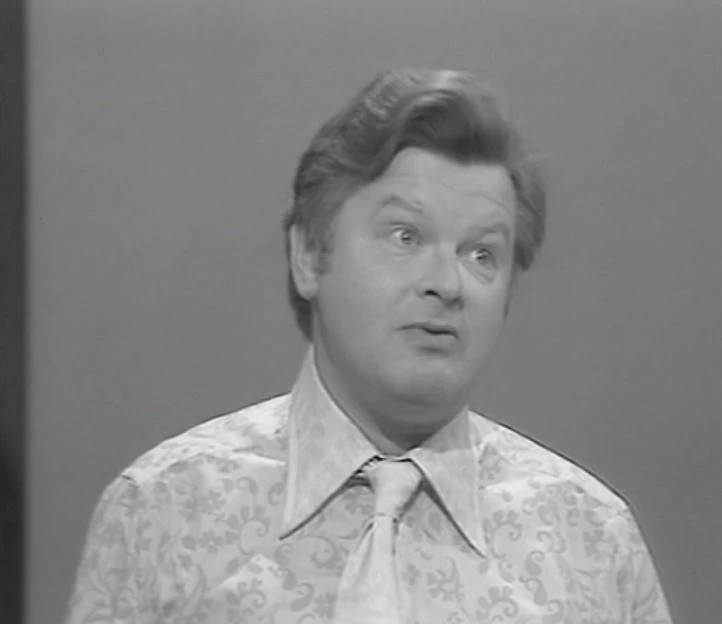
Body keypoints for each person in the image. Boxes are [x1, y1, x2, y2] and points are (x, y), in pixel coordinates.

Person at [65, 67, 674, 624]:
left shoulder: (592, 540)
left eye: (481, 254)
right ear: (310, 255)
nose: (446, 283)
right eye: (405, 236)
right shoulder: (163, 512)